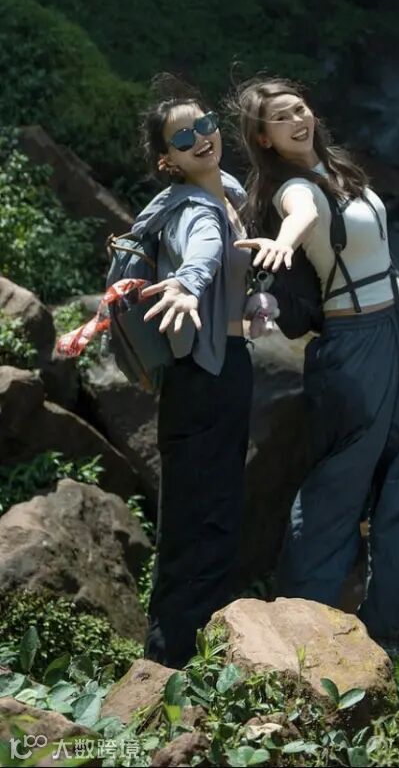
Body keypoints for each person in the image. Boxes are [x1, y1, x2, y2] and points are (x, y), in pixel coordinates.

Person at [233, 77, 399, 651]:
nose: (298, 120)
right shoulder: (291, 189)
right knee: (339, 486)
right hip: (357, 341)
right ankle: (301, 631)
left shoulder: (338, 169)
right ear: (264, 138)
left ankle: (388, 625)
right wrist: (284, 243)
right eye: (282, 118)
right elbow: (300, 213)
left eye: (300, 108)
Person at [137, 83, 254, 666]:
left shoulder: (228, 193)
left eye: (205, 123)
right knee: (197, 520)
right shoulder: (192, 208)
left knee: (215, 512)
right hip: (202, 375)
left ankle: (193, 657)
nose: (202, 137)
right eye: (184, 136)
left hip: (225, 366)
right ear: (168, 160)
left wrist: (255, 303)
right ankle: (170, 664)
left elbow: (229, 268)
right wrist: (186, 283)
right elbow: (203, 250)